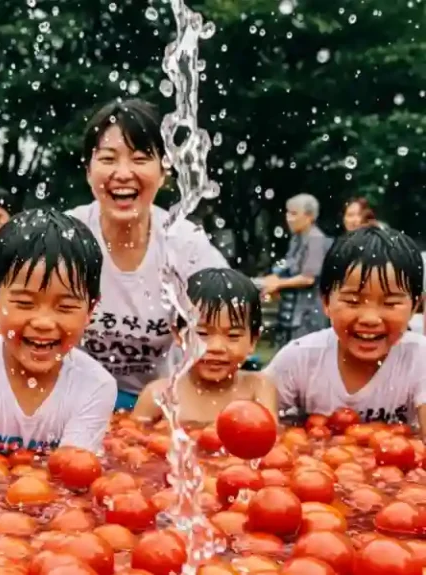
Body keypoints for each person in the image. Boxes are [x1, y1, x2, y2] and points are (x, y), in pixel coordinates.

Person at [67, 98, 228, 409]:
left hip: (160, 406)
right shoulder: (66, 237)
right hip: (70, 400)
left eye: (140, 159)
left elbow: (229, 318)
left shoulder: (186, 245)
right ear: (88, 171)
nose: (123, 173)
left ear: (163, 171)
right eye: (109, 159)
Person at [0, 208, 117, 454]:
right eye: (24, 303)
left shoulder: (95, 385)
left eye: (65, 307)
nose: (43, 322)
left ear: (90, 310)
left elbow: (75, 471)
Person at [265, 226, 426, 429]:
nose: (370, 319)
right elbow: (255, 424)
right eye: (352, 301)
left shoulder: (420, 359)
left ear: (415, 306)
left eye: (390, 303)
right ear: (326, 302)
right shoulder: (299, 359)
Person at [132, 268, 277, 424]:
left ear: (253, 341)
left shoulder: (257, 389)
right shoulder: (159, 395)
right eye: (201, 333)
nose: (216, 347)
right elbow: (131, 440)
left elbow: (274, 443)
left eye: (233, 335)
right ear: (179, 335)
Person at [259, 193, 329, 345]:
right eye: (288, 213)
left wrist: (279, 284)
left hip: (307, 314)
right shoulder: (296, 239)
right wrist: (274, 278)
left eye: (294, 214)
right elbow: (288, 266)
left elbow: (308, 277)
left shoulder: (315, 239)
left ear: (309, 216)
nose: (289, 218)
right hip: (291, 311)